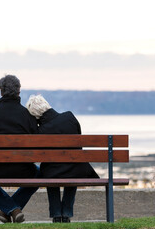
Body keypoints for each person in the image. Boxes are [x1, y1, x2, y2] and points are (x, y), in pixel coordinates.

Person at [0, 75, 39, 223]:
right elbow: (38, 148)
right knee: (40, 174)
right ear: (19, 91)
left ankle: (9, 209)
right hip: (25, 171)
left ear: (1, 91)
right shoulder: (28, 116)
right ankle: (13, 209)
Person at [26, 94, 99, 223]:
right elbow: (78, 144)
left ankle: (56, 215)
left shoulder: (40, 131)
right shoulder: (69, 117)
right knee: (73, 166)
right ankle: (66, 213)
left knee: (50, 170)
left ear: (35, 116)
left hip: (52, 173)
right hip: (77, 169)